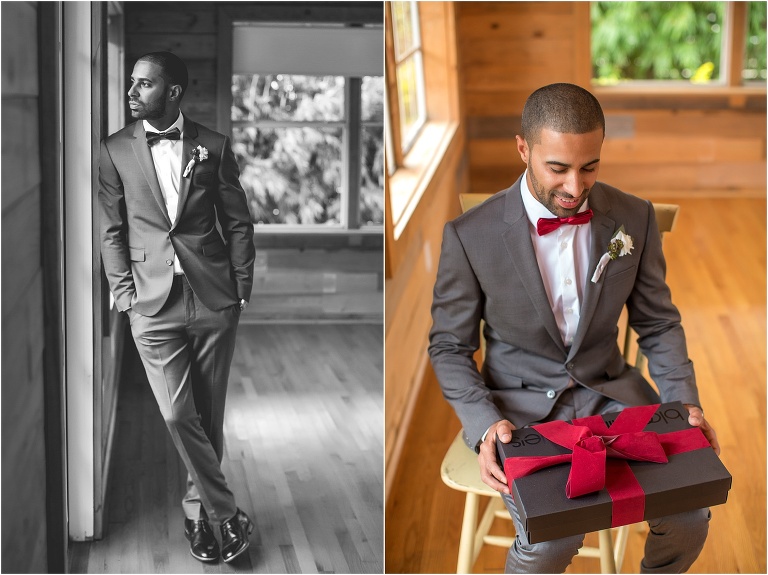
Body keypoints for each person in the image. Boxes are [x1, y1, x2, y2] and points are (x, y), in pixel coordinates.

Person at [428, 83, 720, 573]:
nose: (575, 187)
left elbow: (657, 322)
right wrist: (482, 424)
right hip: (518, 413)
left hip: (612, 396)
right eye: (557, 168)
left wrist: (683, 401)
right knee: (551, 540)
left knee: (691, 512)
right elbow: (448, 347)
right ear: (524, 149)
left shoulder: (634, 218)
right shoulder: (468, 236)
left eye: (590, 166)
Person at [99, 51, 255, 564]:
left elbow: (237, 220)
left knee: (207, 416)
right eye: (132, 83)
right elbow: (112, 230)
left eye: (144, 85)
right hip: (149, 302)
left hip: (213, 296)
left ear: (172, 92)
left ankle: (197, 513)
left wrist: (241, 286)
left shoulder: (213, 145)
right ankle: (225, 512)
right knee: (175, 412)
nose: (132, 92)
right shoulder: (114, 149)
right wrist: (123, 295)